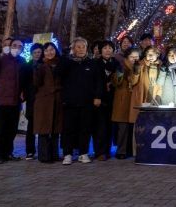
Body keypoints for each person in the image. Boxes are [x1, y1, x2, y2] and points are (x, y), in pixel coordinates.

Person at [58, 37, 102, 165]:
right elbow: (58, 74)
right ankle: (67, 154)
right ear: (73, 48)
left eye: (83, 47)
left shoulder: (92, 63)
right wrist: (66, 58)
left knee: (85, 128)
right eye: (78, 47)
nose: (81, 49)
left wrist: (97, 96)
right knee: (68, 129)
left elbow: (98, 81)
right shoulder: (67, 62)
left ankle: (83, 153)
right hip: (70, 102)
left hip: (87, 102)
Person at [0, 38, 25, 164]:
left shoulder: (22, 61)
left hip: (15, 100)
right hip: (1, 100)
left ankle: (8, 153)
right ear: (10, 46)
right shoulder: (2, 58)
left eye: (20, 46)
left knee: (11, 129)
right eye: (15, 45)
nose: (17, 48)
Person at [33, 42, 62, 163]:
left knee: (56, 129)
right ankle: (44, 156)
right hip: (44, 101)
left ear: (55, 50)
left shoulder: (61, 64)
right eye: (46, 51)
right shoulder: (41, 66)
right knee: (44, 129)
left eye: (51, 49)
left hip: (58, 100)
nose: (49, 52)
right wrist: (37, 69)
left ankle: (54, 154)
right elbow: (36, 83)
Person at [111, 48, 140, 159]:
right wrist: (120, 73)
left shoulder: (138, 67)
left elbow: (134, 81)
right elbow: (116, 82)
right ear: (127, 57)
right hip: (123, 100)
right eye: (132, 57)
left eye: (136, 57)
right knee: (122, 127)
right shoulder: (121, 66)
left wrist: (136, 72)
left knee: (132, 126)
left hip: (134, 100)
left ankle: (130, 150)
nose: (134, 59)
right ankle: (121, 151)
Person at [92, 40, 116, 161]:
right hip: (99, 99)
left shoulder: (115, 63)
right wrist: (96, 96)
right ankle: (99, 151)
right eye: (105, 48)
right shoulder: (95, 63)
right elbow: (94, 82)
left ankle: (107, 150)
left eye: (110, 48)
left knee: (109, 126)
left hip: (112, 99)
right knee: (99, 126)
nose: (107, 50)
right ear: (100, 50)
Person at [21, 43, 43, 160]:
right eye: (35, 52)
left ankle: (43, 150)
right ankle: (30, 151)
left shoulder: (45, 65)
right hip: (31, 98)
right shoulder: (26, 66)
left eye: (39, 52)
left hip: (43, 98)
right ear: (31, 54)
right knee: (31, 126)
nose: (37, 54)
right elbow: (23, 82)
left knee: (43, 125)